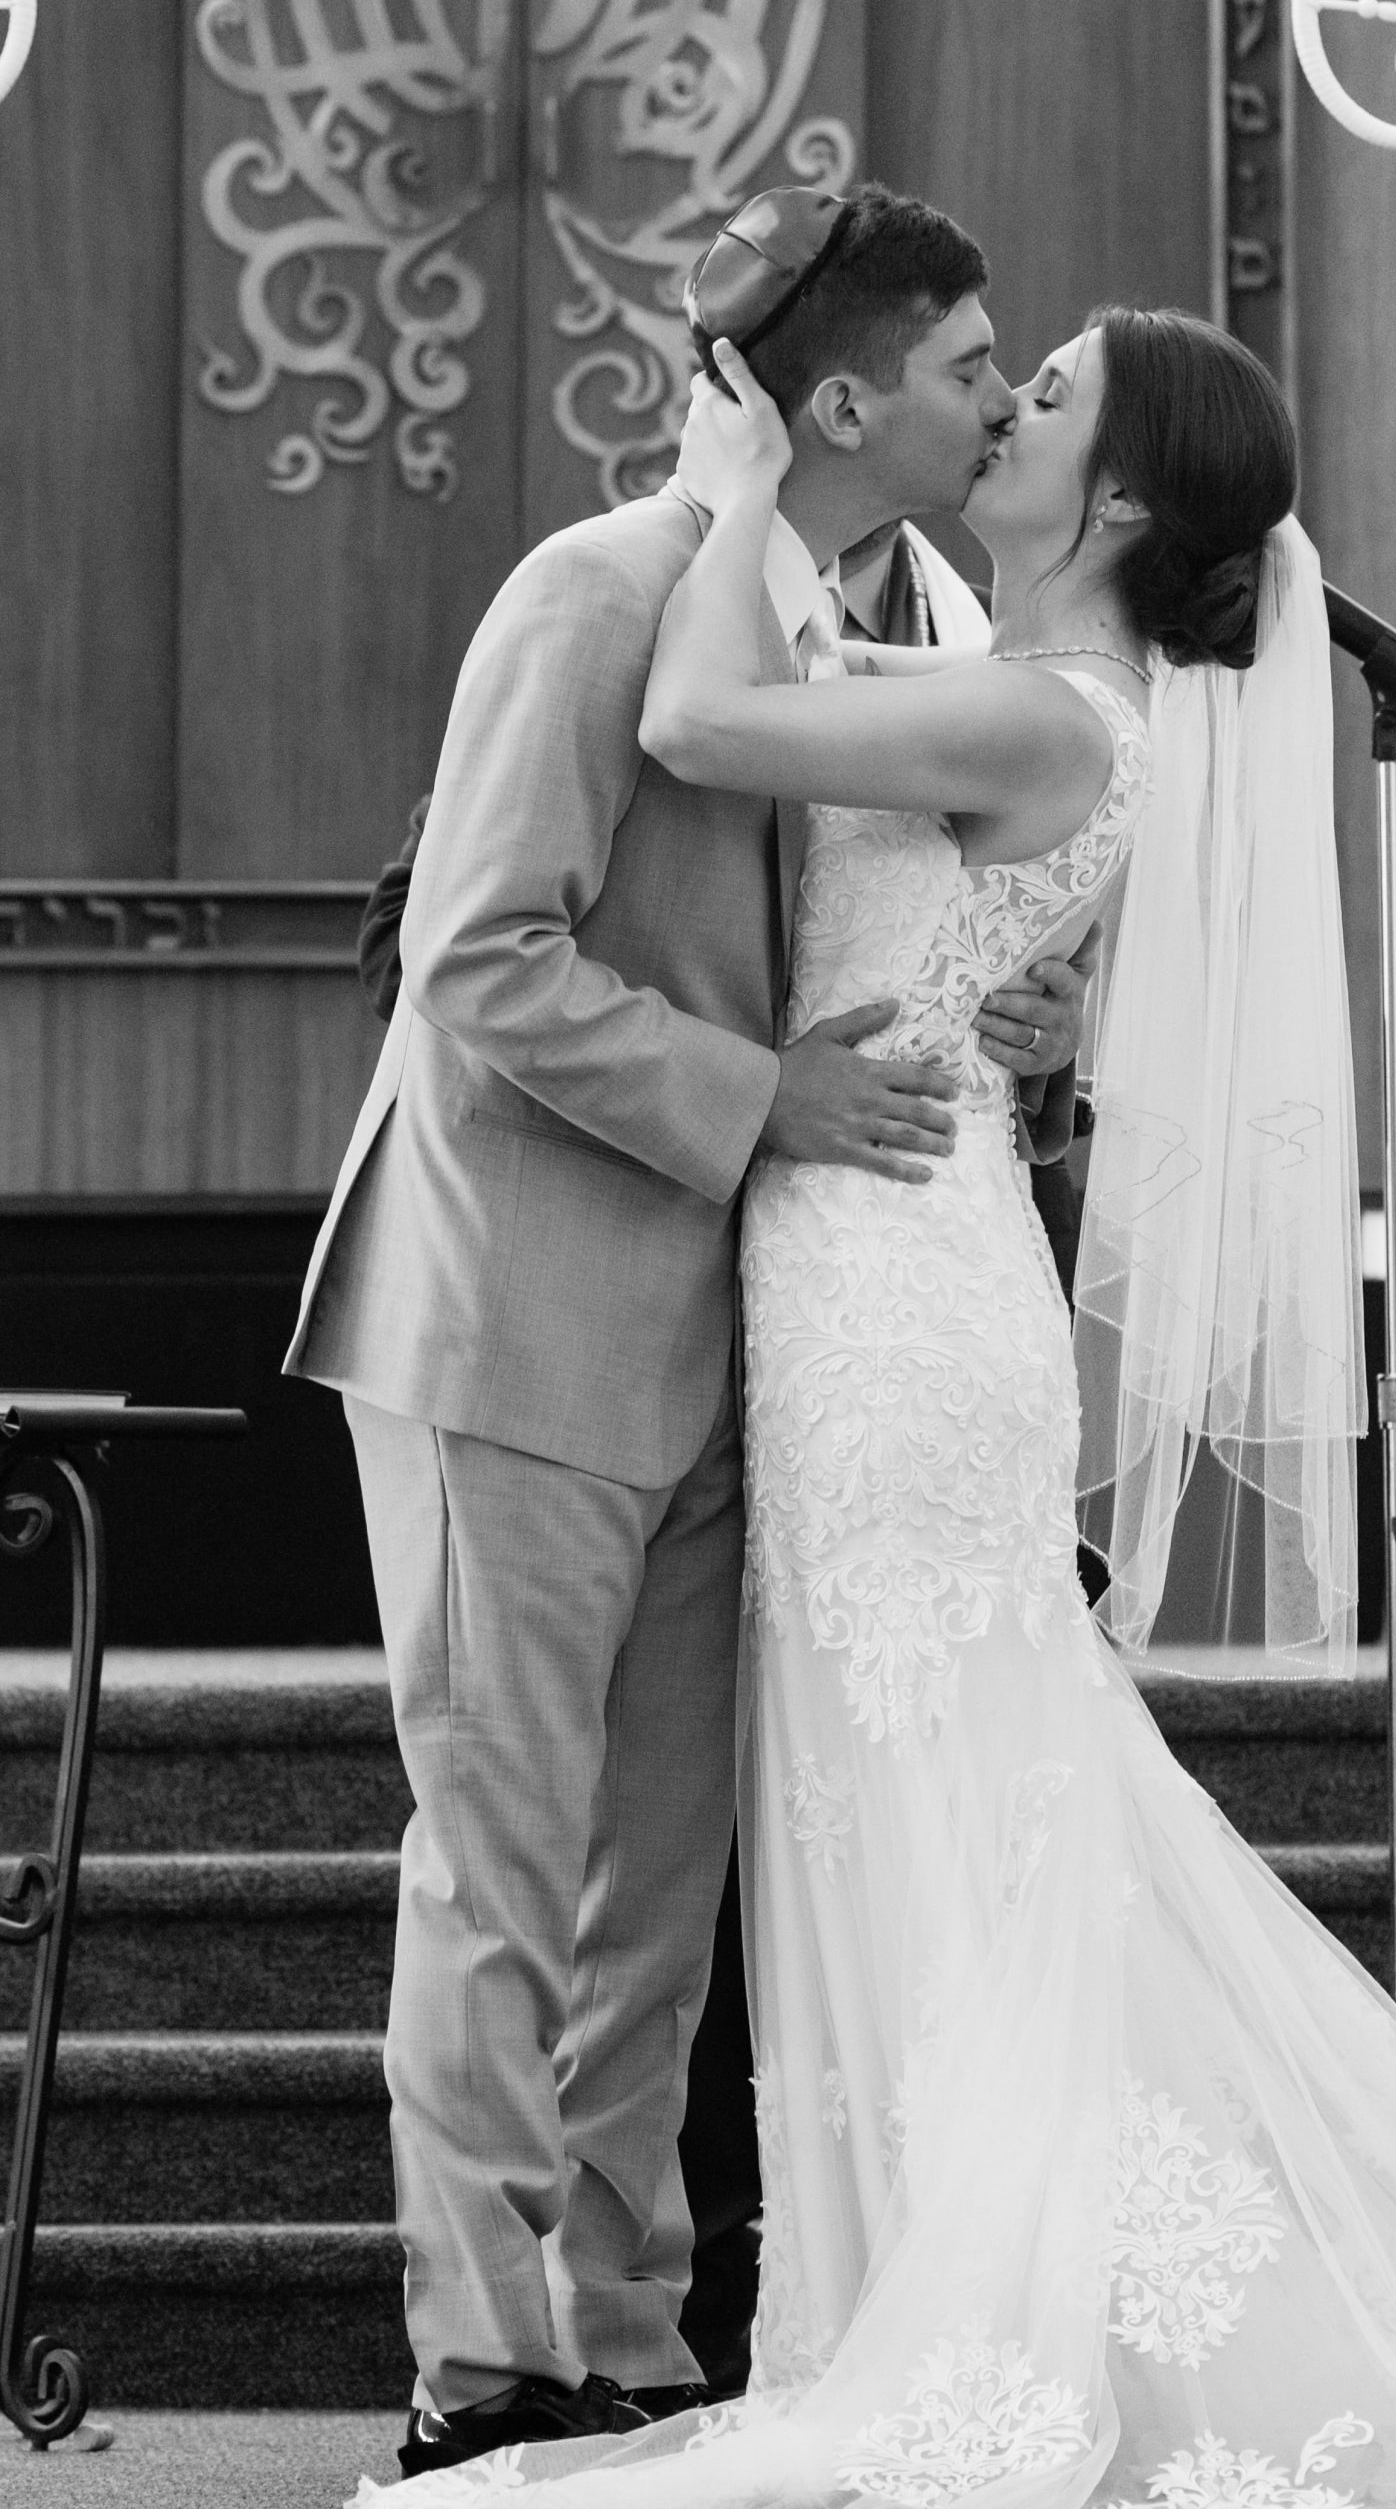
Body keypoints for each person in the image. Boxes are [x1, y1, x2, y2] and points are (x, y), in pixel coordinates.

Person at [359, 305, 1396, 2506]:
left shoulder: (1026, 695)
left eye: (1046, 390)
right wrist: (1001, 989)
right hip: (828, 1266)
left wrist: (721, 478)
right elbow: (865, 881)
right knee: (917, 1808)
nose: (1002, 406)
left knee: (940, 1798)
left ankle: (959, 2311)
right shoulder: (996, 668)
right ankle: (877, 2290)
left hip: (884, 1298)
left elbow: (710, 719)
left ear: (1129, 495)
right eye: (994, 370)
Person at [285, 184, 1094, 2484]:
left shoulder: (891, 617)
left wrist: (986, 996)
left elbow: (852, 930)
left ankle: (624, 2335)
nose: (994, 395)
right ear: (834, 396)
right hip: (514, 1321)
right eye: (962, 362)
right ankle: (476, 2356)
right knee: (503, 1861)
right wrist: (775, 1096)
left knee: (655, 1891)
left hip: (749, 1337)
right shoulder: (598, 590)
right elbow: (479, 958)